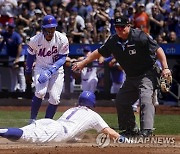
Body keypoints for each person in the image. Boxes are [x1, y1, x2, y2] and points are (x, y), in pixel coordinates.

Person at [72, 15, 171, 137]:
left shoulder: (139, 36)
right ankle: (130, 129)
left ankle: (147, 130)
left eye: (122, 27)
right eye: (117, 27)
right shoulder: (113, 41)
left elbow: (158, 49)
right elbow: (99, 52)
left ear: (128, 26)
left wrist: (165, 67)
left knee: (145, 98)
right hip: (131, 76)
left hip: (147, 73)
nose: (120, 29)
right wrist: (82, 63)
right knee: (121, 100)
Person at [0, 91, 124, 143]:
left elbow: (74, 135)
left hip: (49, 123)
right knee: (24, 136)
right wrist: (125, 141)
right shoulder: (92, 115)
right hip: (58, 131)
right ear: (93, 104)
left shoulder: (72, 109)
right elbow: (110, 133)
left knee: (24, 132)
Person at [25, 15, 69, 123]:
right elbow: (30, 57)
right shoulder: (34, 40)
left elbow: (63, 58)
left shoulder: (62, 38)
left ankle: (47, 123)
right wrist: (28, 72)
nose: (50, 30)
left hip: (56, 70)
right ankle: (32, 120)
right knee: (40, 93)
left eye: (52, 28)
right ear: (43, 29)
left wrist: (51, 71)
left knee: (54, 98)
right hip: (41, 67)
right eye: (48, 28)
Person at [0, 23, 26, 92]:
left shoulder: (16, 36)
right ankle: (13, 90)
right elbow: (1, 31)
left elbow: (19, 47)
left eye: (12, 28)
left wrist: (17, 58)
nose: (11, 29)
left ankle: (22, 90)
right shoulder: (6, 34)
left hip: (19, 56)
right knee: (12, 73)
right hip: (11, 56)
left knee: (20, 72)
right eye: (10, 28)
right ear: (8, 28)